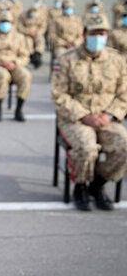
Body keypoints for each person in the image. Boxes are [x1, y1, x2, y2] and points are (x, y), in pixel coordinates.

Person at [51, 13, 127, 211]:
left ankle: (97, 185)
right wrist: (84, 115)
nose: (98, 37)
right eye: (94, 33)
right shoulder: (66, 59)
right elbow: (59, 95)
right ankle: (81, 186)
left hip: (106, 119)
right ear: (85, 34)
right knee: (87, 147)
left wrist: (109, 115)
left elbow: (124, 94)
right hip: (75, 119)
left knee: (124, 146)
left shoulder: (117, 60)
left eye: (102, 33)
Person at [0, 10, 32, 122]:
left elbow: (25, 56)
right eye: (2, 21)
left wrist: (15, 63)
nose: (5, 24)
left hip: (13, 64)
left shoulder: (18, 37)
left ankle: (19, 109)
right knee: (3, 76)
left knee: (26, 75)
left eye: (7, 22)